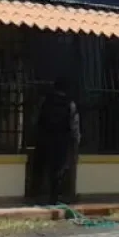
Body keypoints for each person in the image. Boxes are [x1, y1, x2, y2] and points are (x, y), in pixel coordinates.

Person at [33, 77, 81, 205]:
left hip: (44, 139)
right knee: (58, 170)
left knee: (41, 167)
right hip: (61, 142)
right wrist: (75, 142)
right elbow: (74, 126)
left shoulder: (45, 101)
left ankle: (36, 194)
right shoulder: (70, 104)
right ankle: (54, 198)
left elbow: (37, 120)